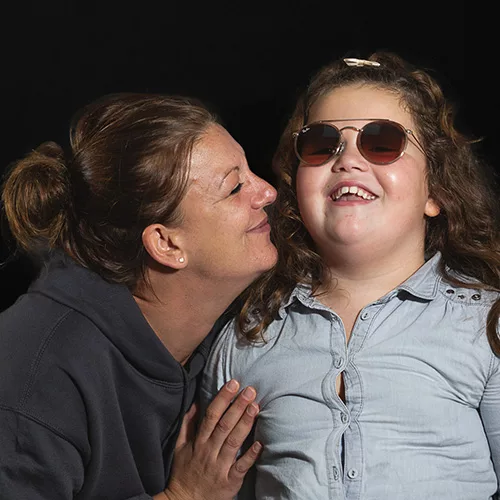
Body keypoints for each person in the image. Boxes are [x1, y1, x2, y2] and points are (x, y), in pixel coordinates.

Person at [201, 52, 500, 499]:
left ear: (435, 191)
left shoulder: (486, 324)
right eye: (321, 144)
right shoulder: (249, 335)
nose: (347, 160)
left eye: (382, 142)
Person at [0, 92, 279, 499]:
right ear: (166, 244)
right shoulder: (33, 376)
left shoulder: (226, 335)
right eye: (235, 187)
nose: (267, 192)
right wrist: (183, 497)